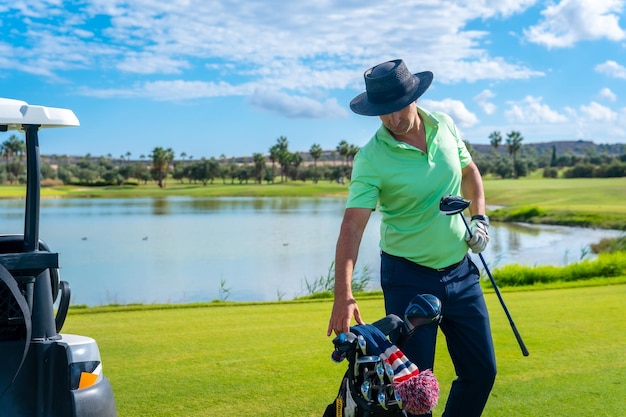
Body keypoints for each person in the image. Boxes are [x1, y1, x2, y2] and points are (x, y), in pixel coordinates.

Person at [326, 59, 497, 417]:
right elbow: (352, 227)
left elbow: (471, 174)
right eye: (383, 112)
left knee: (482, 372)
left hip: (460, 272)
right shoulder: (371, 158)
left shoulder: (445, 125)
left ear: (414, 96)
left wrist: (480, 220)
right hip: (409, 278)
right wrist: (343, 294)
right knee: (413, 389)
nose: (392, 119)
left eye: (398, 108)